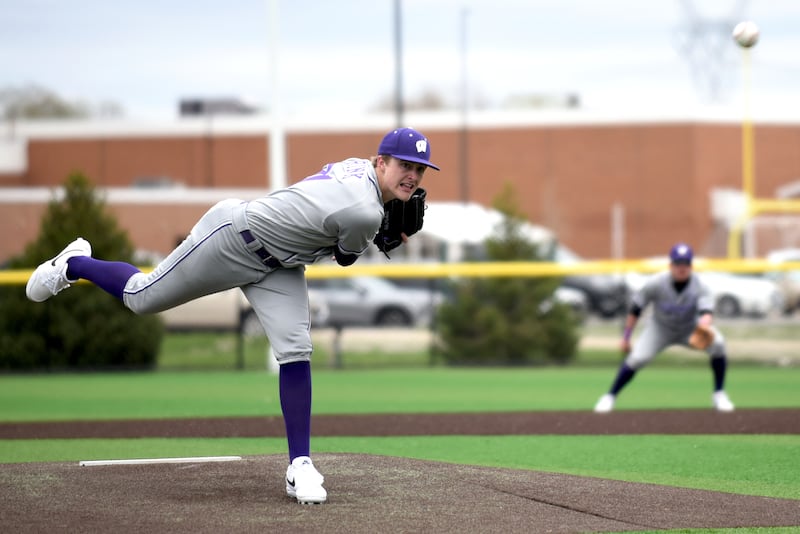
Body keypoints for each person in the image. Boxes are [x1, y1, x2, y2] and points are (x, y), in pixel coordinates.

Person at [25, 127, 441, 504]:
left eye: (420, 170)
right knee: (141, 297)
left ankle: (300, 465)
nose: (414, 176)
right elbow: (346, 257)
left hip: (279, 264)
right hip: (233, 238)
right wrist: (383, 232)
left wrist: (379, 222)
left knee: (296, 350)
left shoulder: (358, 170)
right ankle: (75, 263)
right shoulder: (364, 212)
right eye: (405, 165)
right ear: (381, 161)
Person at [593, 242, 735, 413]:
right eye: (678, 263)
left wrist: (704, 325)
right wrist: (626, 337)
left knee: (718, 344)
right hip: (660, 329)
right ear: (671, 265)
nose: (682, 268)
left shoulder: (700, 286)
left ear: (691, 266)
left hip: (689, 329)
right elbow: (636, 308)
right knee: (637, 358)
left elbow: (707, 311)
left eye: (686, 263)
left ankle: (719, 394)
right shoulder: (656, 282)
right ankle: (610, 396)